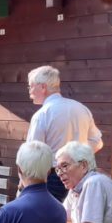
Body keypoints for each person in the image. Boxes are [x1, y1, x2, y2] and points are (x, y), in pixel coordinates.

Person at [26, 65, 103, 201]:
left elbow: (32, 157)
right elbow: (97, 142)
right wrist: (77, 159)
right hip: (83, 175)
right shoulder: (81, 108)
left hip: (54, 179)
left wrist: (24, 187)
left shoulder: (42, 115)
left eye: (31, 86)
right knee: (77, 218)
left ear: (43, 87)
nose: (29, 91)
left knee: (51, 220)